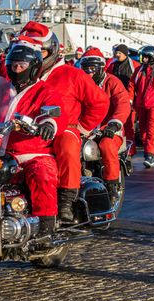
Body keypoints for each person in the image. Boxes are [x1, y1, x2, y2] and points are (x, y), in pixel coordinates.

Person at [0, 36, 67, 239]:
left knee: (43, 174)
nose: (16, 69)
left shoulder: (45, 91)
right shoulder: (0, 90)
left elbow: (56, 113)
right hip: (0, 151)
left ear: (33, 67)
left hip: (33, 152)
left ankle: (46, 230)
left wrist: (49, 124)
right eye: (13, 65)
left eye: (21, 65)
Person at [19, 21, 109, 223]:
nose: (32, 55)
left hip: (62, 128)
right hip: (25, 127)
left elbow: (100, 102)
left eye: (38, 51)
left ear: (50, 51)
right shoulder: (21, 74)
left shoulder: (72, 74)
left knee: (67, 146)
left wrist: (82, 126)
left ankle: (65, 201)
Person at [80, 47, 131, 201]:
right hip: (85, 129)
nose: (89, 72)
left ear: (101, 68)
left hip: (108, 130)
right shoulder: (80, 84)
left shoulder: (112, 82)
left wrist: (114, 124)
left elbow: (123, 103)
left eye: (92, 69)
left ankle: (112, 185)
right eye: (85, 69)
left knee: (107, 145)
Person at [106, 44, 140, 158]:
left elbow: (136, 83)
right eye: (116, 52)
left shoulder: (134, 66)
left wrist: (133, 99)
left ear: (125, 54)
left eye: (119, 53)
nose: (117, 54)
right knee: (114, 123)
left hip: (128, 99)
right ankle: (118, 148)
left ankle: (130, 149)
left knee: (129, 126)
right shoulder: (112, 65)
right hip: (114, 98)